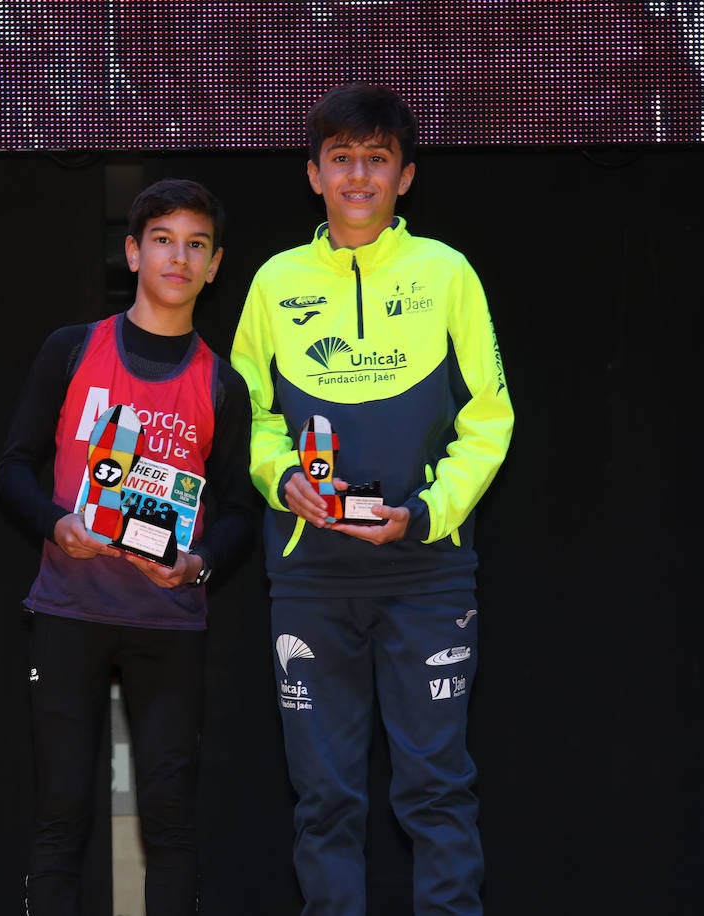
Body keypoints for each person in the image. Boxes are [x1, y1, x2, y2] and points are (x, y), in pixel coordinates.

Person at [229, 82, 513, 915]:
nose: (359, 176)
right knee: (324, 803)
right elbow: (248, 418)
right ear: (313, 174)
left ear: (406, 176)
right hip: (311, 582)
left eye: (377, 160)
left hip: (427, 577)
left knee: (436, 794)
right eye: (342, 159)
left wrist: (426, 513)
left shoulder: (446, 273)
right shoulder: (275, 282)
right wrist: (281, 479)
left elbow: (491, 418)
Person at [0, 177, 257, 916]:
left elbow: (238, 511)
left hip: (169, 624)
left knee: (171, 819)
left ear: (215, 265)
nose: (180, 257)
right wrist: (56, 526)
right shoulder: (72, 350)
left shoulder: (224, 386)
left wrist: (199, 562)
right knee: (61, 812)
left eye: (197, 245)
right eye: (164, 240)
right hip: (70, 609)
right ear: (133, 250)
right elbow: (11, 470)